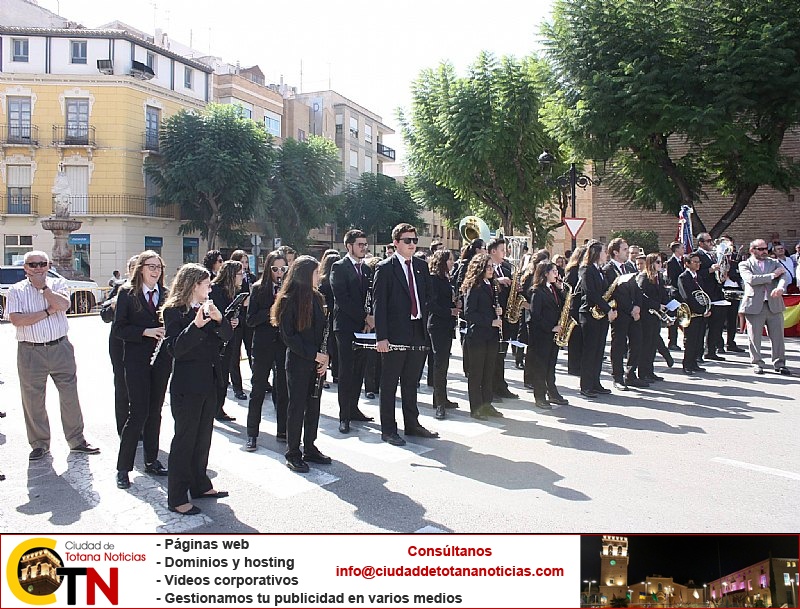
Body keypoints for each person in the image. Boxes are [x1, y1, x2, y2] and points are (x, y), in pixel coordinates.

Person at [5, 250, 101, 461]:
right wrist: (48, 312)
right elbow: (17, 320)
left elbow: (64, 305)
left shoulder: (58, 285)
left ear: (48, 266)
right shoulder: (16, 290)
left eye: (42, 264)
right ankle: (39, 443)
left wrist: (44, 289)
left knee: (70, 395)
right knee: (33, 399)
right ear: (25, 268)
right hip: (30, 350)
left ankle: (76, 440)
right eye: (33, 264)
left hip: (60, 347)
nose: (38, 268)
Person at [163, 263, 232, 515]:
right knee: (185, 440)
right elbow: (175, 349)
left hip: (209, 382)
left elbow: (227, 337)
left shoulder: (209, 308)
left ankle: (200, 484)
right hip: (187, 385)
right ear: (194, 285)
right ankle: (177, 496)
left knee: (203, 438)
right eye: (207, 284)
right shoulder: (174, 312)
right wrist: (197, 325)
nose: (210, 287)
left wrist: (220, 319)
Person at [373, 223, 439, 445]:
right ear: (396, 243)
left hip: (417, 329)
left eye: (414, 240)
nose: (412, 244)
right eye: (407, 240)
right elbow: (379, 305)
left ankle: (412, 424)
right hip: (394, 334)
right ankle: (388, 429)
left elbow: (427, 296)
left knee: (412, 381)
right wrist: (381, 337)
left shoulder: (421, 266)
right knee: (390, 382)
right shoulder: (385, 268)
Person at [112, 250, 172, 489]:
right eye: (151, 266)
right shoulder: (127, 293)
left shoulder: (166, 295)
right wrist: (144, 332)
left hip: (160, 360)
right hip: (136, 360)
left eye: (158, 267)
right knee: (138, 413)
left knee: (155, 411)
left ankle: (151, 460)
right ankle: (123, 468)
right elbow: (119, 329)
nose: (155, 271)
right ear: (140, 269)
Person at [272, 255, 331, 472]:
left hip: (317, 361)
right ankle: (293, 452)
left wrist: (326, 357)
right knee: (297, 406)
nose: (320, 276)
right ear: (306, 275)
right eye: (316, 273)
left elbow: (324, 331)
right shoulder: (288, 299)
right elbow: (289, 337)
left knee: (313, 405)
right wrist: (314, 355)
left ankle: (310, 447)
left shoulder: (317, 297)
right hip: (299, 361)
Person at [331, 229, 375, 434]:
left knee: (360, 369)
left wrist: (369, 318)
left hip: (363, 327)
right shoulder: (339, 267)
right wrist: (363, 316)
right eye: (360, 244)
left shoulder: (366, 269)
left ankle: (354, 408)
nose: (364, 248)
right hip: (346, 327)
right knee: (347, 371)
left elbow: (369, 296)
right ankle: (344, 416)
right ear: (349, 246)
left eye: (365, 244)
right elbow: (342, 298)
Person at [245, 251, 289, 450]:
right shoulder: (258, 289)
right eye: (275, 269)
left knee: (283, 389)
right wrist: (272, 309)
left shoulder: (289, 290)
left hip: (282, 345)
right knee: (258, 390)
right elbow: (250, 320)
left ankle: (283, 429)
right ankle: (252, 433)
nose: (279, 273)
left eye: (283, 269)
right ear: (268, 268)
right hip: (262, 345)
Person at [461, 253, 504, 420]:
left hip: (491, 336)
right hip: (478, 336)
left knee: (488, 372)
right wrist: (490, 321)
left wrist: (498, 312)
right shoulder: (474, 286)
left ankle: (487, 404)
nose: (491, 270)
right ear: (479, 268)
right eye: (488, 267)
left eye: (492, 267)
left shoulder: (491, 285)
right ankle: (476, 407)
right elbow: (469, 313)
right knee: (477, 373)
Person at [739, 239, 791, 375]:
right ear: (752, 250)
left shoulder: (773, 262)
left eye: (765, 249)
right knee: (754, 336)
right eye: (760, 249)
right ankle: (757, 363)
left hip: (774, 304)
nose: (764, 252)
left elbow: (784, 276)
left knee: (778, 336)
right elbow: (752, 279)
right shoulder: (745, 264)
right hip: (754, 304)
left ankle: (780, 363)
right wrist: (773, 275)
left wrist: (780, 287)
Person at [100, 255, 137, 435]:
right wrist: (114, 306)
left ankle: (141, 426)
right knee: (122, 386)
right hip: (120, 343)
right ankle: (123, 427)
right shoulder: (120, 288)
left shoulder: (156, 290)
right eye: (134, 267)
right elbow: (104, 315)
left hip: (144, 345)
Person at [603, 238, 646, 390]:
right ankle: (617, 376)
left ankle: (631, 373)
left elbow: (637, 289)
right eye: (625, 250)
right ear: (615, 252)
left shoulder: (629, 267)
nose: (628, 253)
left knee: (636, 342)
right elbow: (615, 294)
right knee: (619, 345)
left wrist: (638, 306)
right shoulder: (608, 270)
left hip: (634, 312)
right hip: (620, 313)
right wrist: (630, 309)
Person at [527, 261, 570, 408]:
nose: (557, 274)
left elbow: (563, 305)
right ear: (545, 273)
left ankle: (552, 392)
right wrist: (551, 327)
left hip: (553, 335)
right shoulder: (536, 291)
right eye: (554, 271)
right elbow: (535, 316)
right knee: (541, 366)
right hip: (542, 335)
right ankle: (540, 397)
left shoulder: (553, 288)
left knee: (551, 365)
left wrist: (561, 290)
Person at [577, 240, 616, 398]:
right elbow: (591, 293)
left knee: (599, 351)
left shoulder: (600, 270)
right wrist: (608, 309)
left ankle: (596, 383)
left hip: (601, 315)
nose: (606, 254)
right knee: (590, 351)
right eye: (604, 252)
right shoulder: (586, 269)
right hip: (589, 314)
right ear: (596, 253)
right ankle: (586, 385)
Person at [210, 261, 245, 420]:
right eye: (239, 273)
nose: (242, 276)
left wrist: (236, 321)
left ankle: (219, 408)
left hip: (229, 337)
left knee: (224, 375)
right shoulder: (216, 290)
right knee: (217, 376)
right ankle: (214, 408)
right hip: (216, 340)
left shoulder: (235, 291)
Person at [427, 249, 460, 419]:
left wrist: (455, 302)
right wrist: (450, 311)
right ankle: (439, 403)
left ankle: (442, 398)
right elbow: (431, 304)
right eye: (450, 260)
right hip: (437, 325)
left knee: (444, 363)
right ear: (442, 261)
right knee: (439, 364)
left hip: (446, 325)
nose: (452, 263)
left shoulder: (447, 278)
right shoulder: (433, 278)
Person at [487, 237, 519, 401]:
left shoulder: (506, 267)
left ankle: (501, 385)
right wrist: (498, 281)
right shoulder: (485, 266)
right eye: (502, 250)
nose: (505, 253)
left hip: (505, 317)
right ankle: (491, 388)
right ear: (493, 251)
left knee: (501, 355)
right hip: (491, 318)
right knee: (493, 356)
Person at [636, 253, 669, 383]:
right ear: (651, 264)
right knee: (646, 344)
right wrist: (656, 305)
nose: (661, 265)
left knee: (652, 344)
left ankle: (650, 371)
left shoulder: (659, 277)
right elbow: (641, 296)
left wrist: (667, 304)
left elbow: (662, 293)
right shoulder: (644, 277)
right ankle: (643, 372)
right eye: (658, 262)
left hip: (656, 315)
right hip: (646, 315)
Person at [678, 253, 711, 375]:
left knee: (698, 339)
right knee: (690, 340)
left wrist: (706, 308)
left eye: (699, 262)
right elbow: (687, 297)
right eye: (695, 262)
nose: (698, 264)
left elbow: (703, 294)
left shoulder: (699, 277)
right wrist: (700, 310)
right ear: (687, 263)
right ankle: (687, 364)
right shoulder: (683, 277)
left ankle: (694, 363)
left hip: (701, 314)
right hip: (691, 313)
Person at [695, 233, 726, 362]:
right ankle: (698, 353)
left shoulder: (712, 255)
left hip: (716, 293)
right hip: (705, 293)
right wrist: (710, 270)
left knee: (716, 325)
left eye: (711, 240)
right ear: (701, 243)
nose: (711, 243)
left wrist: (721, 275)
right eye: (708, 241)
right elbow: (696, 274)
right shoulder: (698, 256)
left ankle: (711, 351)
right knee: (703, 326)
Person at [229, 250, 256, 384]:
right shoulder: (231, 279)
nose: (244, 265)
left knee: (252, 350)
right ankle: (237, 385)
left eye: (246, 262)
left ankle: (258, 379)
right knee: (234, 354)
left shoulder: (251, 277)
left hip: (249, 319)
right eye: (241, 262)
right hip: (237, 318)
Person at [318, 249, 341, 387]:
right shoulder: (334, 281)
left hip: (327, 316)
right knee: (335, 346)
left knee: (326, 346)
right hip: (334, 316)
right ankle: (336, 374)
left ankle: (325, 376)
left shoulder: (322, 281)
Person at [563, 245, 587, 377]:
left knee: (580, 338)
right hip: (574, 306)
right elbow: (568, 289)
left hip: (579, 306)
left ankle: (578, 364)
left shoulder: (583, 269)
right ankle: (573, 366)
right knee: (575, 338)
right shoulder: (573, 270)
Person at [665, 241, 685, 351]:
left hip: (681, 293)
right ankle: (672, 341)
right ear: (676, 249)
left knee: (680, 317)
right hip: (675, 293)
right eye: (682, 248)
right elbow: (672, 279)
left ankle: (679, 340)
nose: (683, 249)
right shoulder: (671, 262)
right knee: (673, 318)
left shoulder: (682, 262)